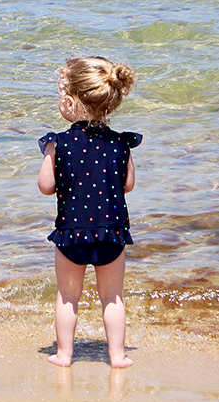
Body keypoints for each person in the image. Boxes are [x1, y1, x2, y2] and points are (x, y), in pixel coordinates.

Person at [37, 56, 141, 368]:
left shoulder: (59, 143)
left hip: (72, 232)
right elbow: (129, 185)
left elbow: (45, 186)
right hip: (111, 230)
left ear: (70, 102)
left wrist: (48, 158)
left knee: (68, 296)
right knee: (113, 296)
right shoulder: (121, 144)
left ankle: (65, 355)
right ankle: (117, 356)